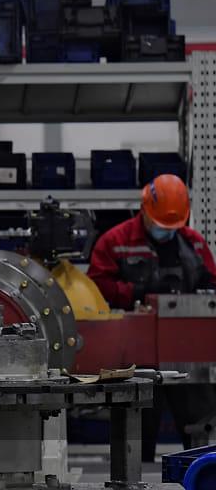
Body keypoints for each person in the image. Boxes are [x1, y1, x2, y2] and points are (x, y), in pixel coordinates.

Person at [88, 173, 216, 460]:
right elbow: (96, 286)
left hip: (187, 351)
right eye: (161, 225)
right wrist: (136, 292)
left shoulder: (194, 243)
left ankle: (199, 473)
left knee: (199, 424)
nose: (165, 231)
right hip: (136, 352)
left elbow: (212, 283)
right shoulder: (116, 242)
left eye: (172, 227)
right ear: (144, 209)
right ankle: (132, 474)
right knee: (136, 426)